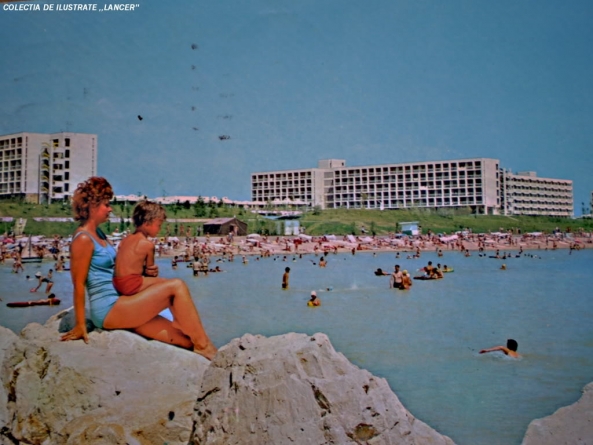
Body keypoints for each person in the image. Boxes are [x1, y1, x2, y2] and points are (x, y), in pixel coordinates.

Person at [60, 177, 217, 360]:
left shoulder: (99, 234)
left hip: (124, 303)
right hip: (108, 310)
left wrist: (144, 275)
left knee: (185, 340)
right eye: (106, 204)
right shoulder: (83, 239)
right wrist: (80, 325)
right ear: (92, 206)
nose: (110, 209)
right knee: (177, 286)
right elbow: (78, 284)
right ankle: (206, 347)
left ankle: (200, 345)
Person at [113, 200, 167, 296]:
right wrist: (153, 273)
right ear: (147, 223)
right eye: (158, 225)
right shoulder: (147, 245)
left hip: (117, 283)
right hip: (130, 284)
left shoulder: (125, 240)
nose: (160, 229)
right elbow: (150, 275)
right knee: (172, 284)